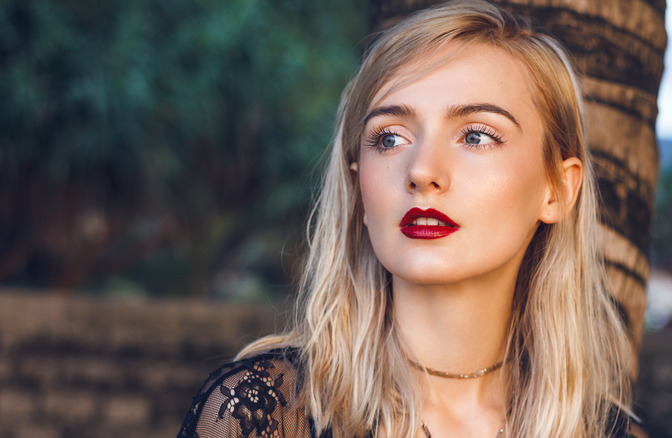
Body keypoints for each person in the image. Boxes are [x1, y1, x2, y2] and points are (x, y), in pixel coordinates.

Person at [177, 1, 642, 437]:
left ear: (558, 190)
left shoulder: (604, 430)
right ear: (359, 188)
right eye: (390, 138)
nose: (422, 171)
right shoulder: (263, 414)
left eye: (477, 136)